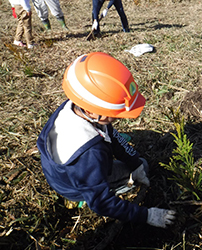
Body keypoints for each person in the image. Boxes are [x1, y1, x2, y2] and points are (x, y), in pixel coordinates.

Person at [37, 52, 176, 228]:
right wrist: (146, 215)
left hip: (60, 173)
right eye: (114, 116)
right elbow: (101, 203)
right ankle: (79, 198)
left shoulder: (76, 104)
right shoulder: (90, 154)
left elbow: (110, 133)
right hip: (72, 185)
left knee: (138, 164)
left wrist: (134, 164)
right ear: (92, 111)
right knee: (143, 166)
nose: (118, 119)